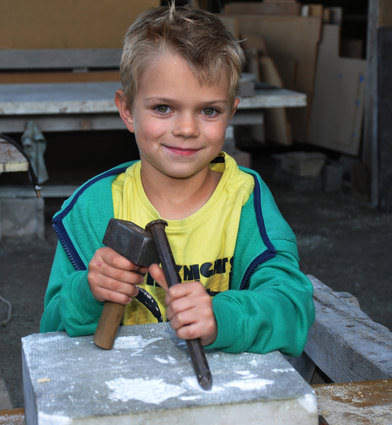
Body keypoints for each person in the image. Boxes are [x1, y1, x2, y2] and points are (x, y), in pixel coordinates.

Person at [40, 3, 315, 357]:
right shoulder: (93, 206)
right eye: (163, 108)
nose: (186, 129)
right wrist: (88, 293)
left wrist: (223, 318)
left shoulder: (246, 200)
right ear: (127, 110)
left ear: (232, 112)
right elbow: (48, 331)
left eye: (209, 111)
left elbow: (293, 310)